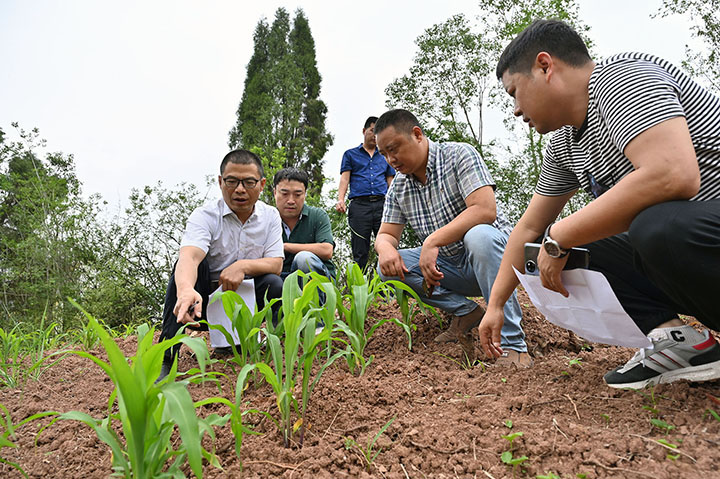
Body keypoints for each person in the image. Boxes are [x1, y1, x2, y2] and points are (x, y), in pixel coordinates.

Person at [479, 19, 720, 389]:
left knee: (650, 226)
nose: (515, 109)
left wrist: (560, 236)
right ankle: (681, 343)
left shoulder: (621, 79)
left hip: (702, 227)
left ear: (545, 66)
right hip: (702, 250)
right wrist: (495, 305)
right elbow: (529, 228)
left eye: (514, 92)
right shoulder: (564, 143)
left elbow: (673, 173)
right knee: (586, 242)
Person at [373, 109, 529, 367]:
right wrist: (385, 249)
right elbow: (386, 234)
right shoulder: (399, 185)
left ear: (417, 134)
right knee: (387, 267)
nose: (391, 159)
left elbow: (485, 209)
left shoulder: (458, 155)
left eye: (394, 149)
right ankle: (467, 311)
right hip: (447, 269)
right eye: (384, 154)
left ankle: (514, 346)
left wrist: (433, 240)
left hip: (494, 263)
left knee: (479, 236)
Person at [158, 149, 284, 379]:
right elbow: (190, 256)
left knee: (274, 282)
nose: (239, 189)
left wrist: (242, 266)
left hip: (248, 303)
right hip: (203, 304)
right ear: (220, 181)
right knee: (195, 267)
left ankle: (279, 349)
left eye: (248, 182)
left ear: (262, 184)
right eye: (232, 181)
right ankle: (166, 359)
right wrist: (186, 289)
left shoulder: (270, 216)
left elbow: (276, 263)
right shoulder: (205, 216)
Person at [336, 116, 396, 272]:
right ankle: (359, 289)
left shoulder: (384, 155)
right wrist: (340, 199)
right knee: (360, 249)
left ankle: (386, 289)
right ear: (364, 131)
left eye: (378, 132)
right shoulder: (350, 154)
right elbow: (345, 179)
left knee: (386, 245)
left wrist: (397, 202)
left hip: (383, 205)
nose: (375, 135)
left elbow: (391, 182)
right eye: (372, 130)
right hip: (359, 206)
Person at [273, 167, 336, 280]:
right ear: (275, 193)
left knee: (304, 258)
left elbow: (326, 250)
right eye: (285, 194)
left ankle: (316, 298)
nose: (291, 201)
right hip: (279, 279)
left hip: (318, 280)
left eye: (297, 195)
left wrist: (285, 246)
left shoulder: (317, 216)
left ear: (305, 194)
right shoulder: (266, 218)